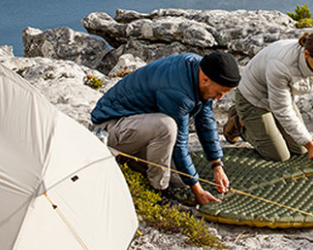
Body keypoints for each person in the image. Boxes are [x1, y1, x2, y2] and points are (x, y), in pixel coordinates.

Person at [91, 50, 240, 206]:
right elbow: (179, 144)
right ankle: (158, 192)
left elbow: (205, 120)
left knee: (180, 181)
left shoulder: (201, 69)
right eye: (219, 92)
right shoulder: (177, 91)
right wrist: (198, 191)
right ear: (206, 80)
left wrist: (217, 165)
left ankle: (130, 161)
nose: (220, 98)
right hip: (110, 129)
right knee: (166, 126)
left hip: (139, 128)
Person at [228, 30, 313, 166]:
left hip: (280, 98)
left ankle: (267, 124)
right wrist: (311, 145)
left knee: (300, 149)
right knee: (279, 155)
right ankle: (238, 122)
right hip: (253, 98)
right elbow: (282, 110)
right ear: (306, 55)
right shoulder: (281, 64)